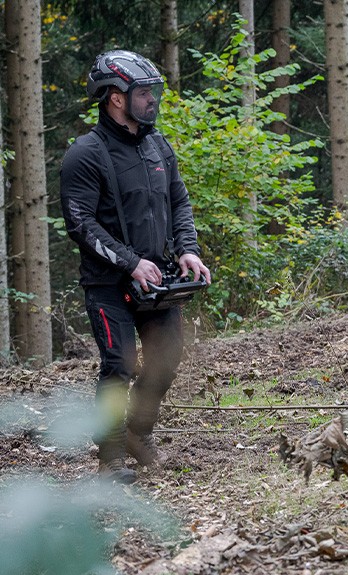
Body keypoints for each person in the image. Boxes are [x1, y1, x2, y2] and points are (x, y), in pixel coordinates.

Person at [60, 50, 212, 484]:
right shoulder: (84, 155)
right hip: (108, 283)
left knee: (167, 358)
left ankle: (137, 433)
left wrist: (187, 249)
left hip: (158, 278)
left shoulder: (157, 144)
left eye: (152, 92)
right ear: (115, 97)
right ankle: (109, 456)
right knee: (118, 365)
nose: (152, 100)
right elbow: (80, 224)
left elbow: (178, 201)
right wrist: (130, 262)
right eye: (143, 93)